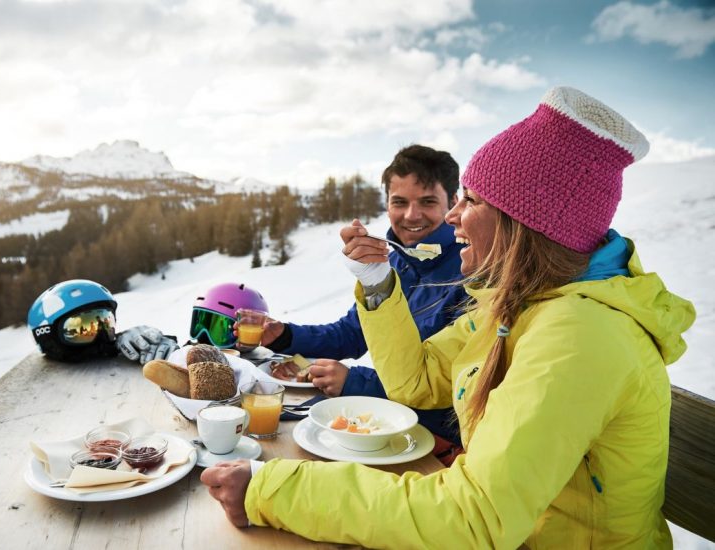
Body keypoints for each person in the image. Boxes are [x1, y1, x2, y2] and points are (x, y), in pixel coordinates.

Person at [200, 86, 696, 547]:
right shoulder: (518, 306)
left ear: (523, 225)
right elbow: (415, 382)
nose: (453, 216)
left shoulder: (580, 335)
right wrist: (378, 284)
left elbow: (476, 516)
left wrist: (270, 491)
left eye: (471, 200)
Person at [255, 144, 468, 448]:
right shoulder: (395, 263)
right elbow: (352, 333)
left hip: (439, 444)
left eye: (428, 201)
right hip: (387, 426)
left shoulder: (470, 270)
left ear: (453, 202)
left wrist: (355, 382)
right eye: (399, 202)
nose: (411, 214)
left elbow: (456, 386)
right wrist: (284, 335)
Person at [27, 279, 177, 364]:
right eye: (80, 328)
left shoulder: (111, 345)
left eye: (107, 323)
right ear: (46, 334)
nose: (102, 337)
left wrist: (176, 354)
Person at [188, 282, 270, 348]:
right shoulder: (185, 354)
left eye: (222, 330)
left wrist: (280, 341)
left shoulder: (263, 365)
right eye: (200, 324)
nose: (203, 338)